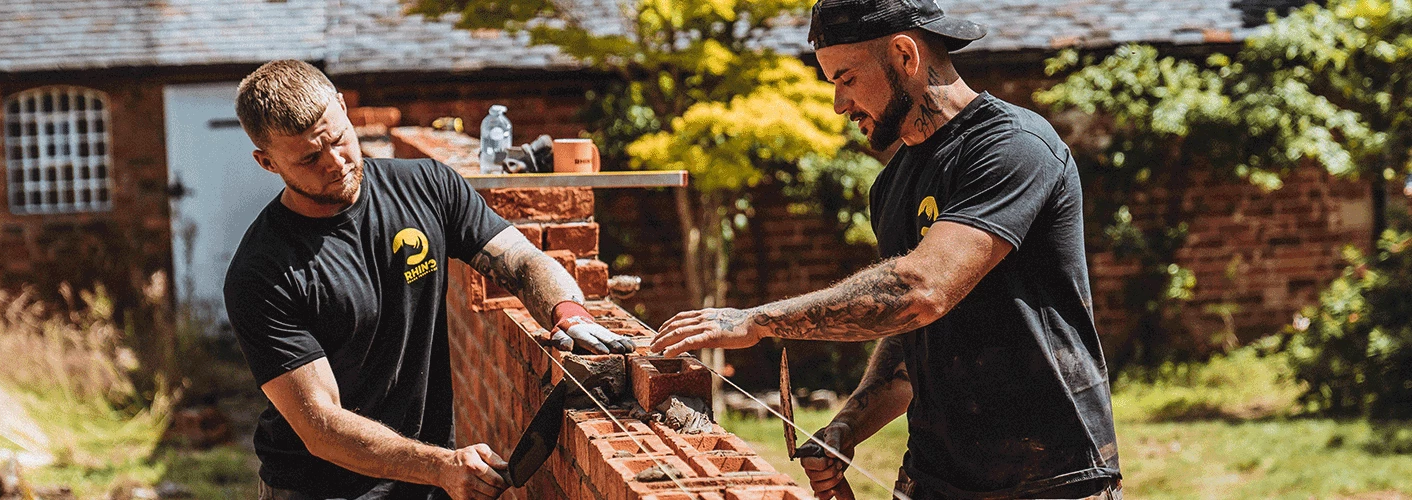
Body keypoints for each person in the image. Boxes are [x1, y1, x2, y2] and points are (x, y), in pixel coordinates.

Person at [650, 0, 1122, 498]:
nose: (838, 104)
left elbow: (921, 291)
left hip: (1051, 479)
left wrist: (757, 320)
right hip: (933, 478)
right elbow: (909, 336)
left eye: (846, 78)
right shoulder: (893, 184)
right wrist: (847, 428)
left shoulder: (1013, 147)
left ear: (904, 56)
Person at [223, 60, 634, 500]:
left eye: (339, 139)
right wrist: (440, 465)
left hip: (424, 482)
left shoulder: (426, 186)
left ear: (343, 107)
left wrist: (568, 313)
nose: (336, 162)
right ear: (266, 162)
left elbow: (520, 260)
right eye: (309, 158)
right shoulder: (261, 273)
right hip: (317, 489)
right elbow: (322, 426)